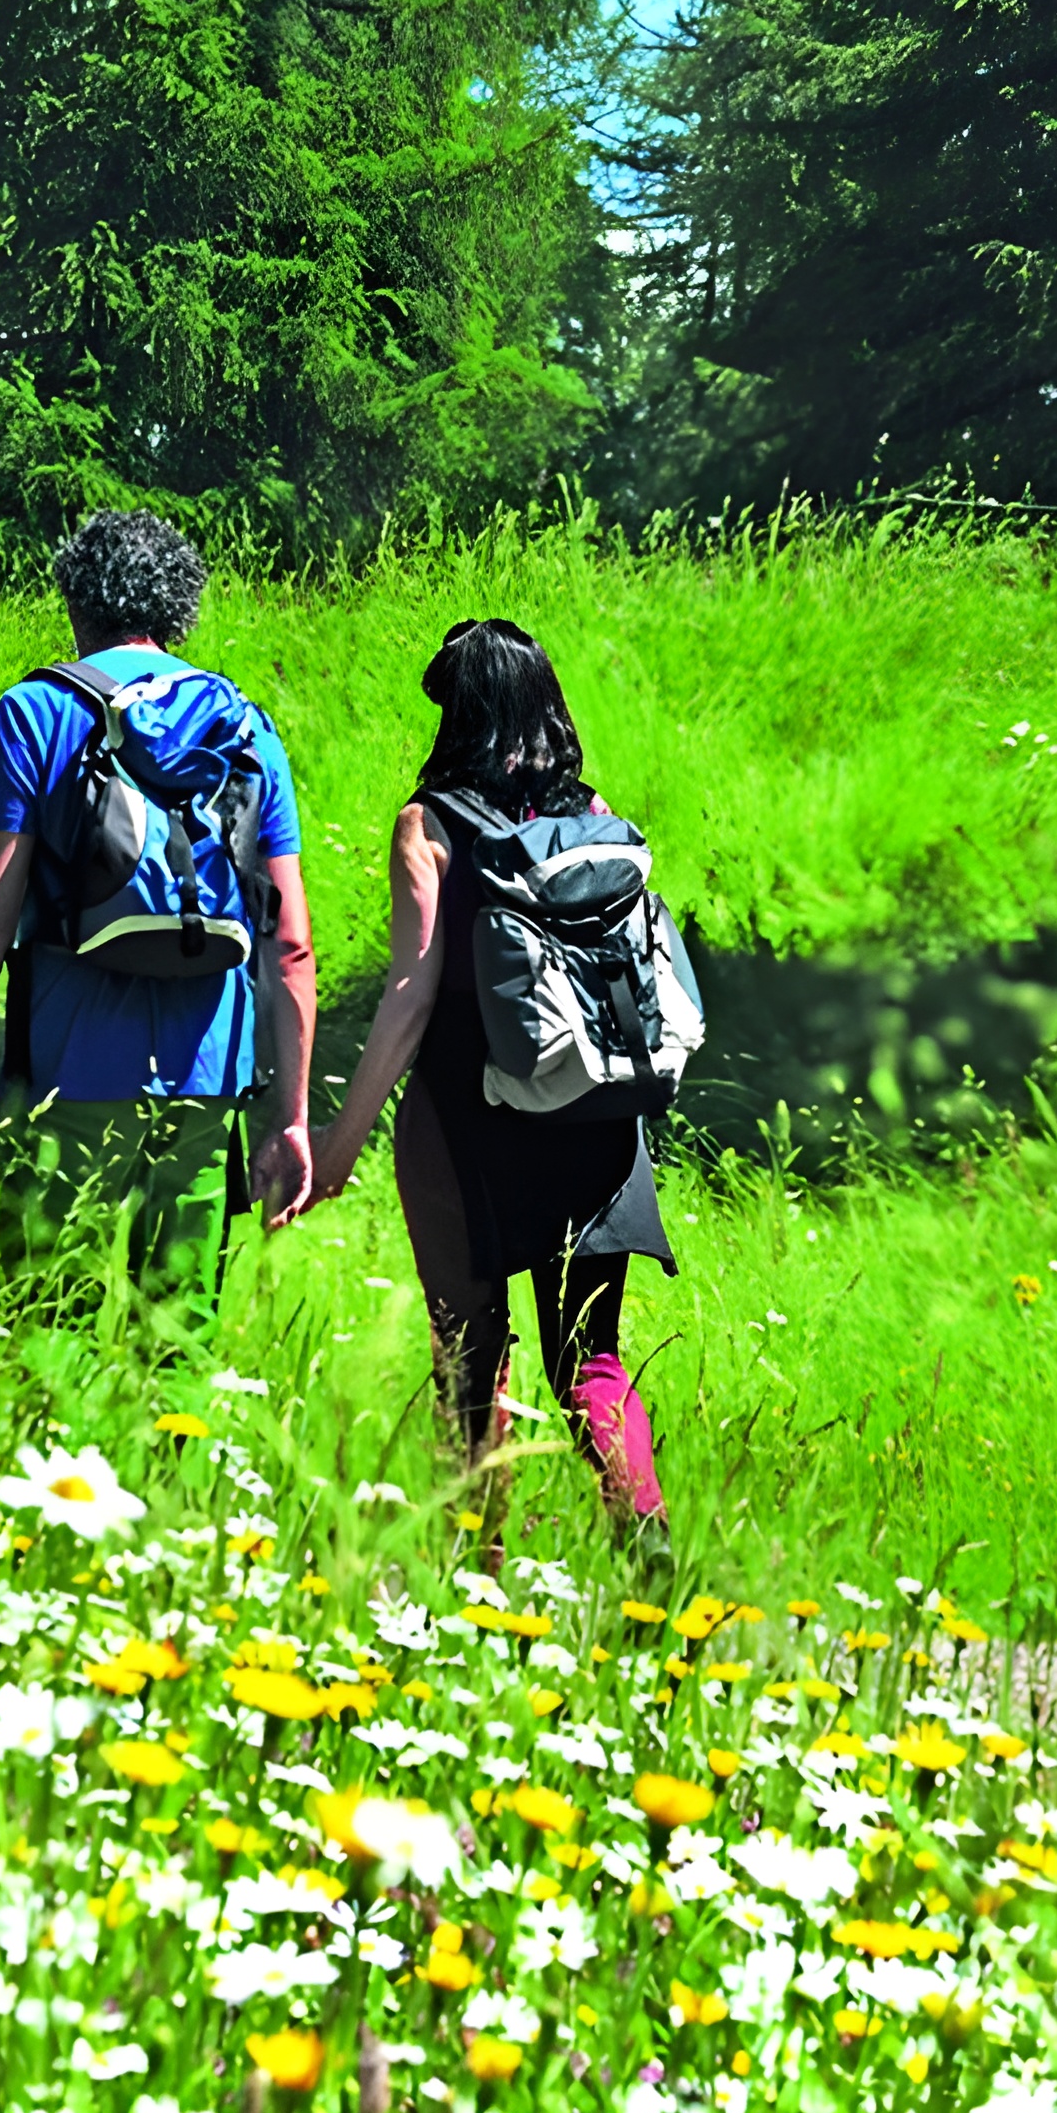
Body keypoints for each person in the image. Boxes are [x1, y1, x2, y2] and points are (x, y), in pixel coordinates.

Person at [309, 618, 674, 1579]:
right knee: (590, 1361)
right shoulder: (597, 815)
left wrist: (341, 1141)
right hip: (597, 1123)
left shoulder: (426, 825)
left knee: (472, 1360)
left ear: (458, 716)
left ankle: (480, 1577)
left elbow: (409, 997)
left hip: (466, 1125)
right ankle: (647, 1538)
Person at [0, 512, 315, 1355]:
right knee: (177, 1342)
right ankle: (173, 1487)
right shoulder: (246, 725)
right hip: (209, 1079)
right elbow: (290, 945)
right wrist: (291, 1116)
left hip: (69, 1073)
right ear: (177, 608)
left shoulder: (37, 712)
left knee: (46, 1337)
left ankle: (47, 1487)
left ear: (76, 603)